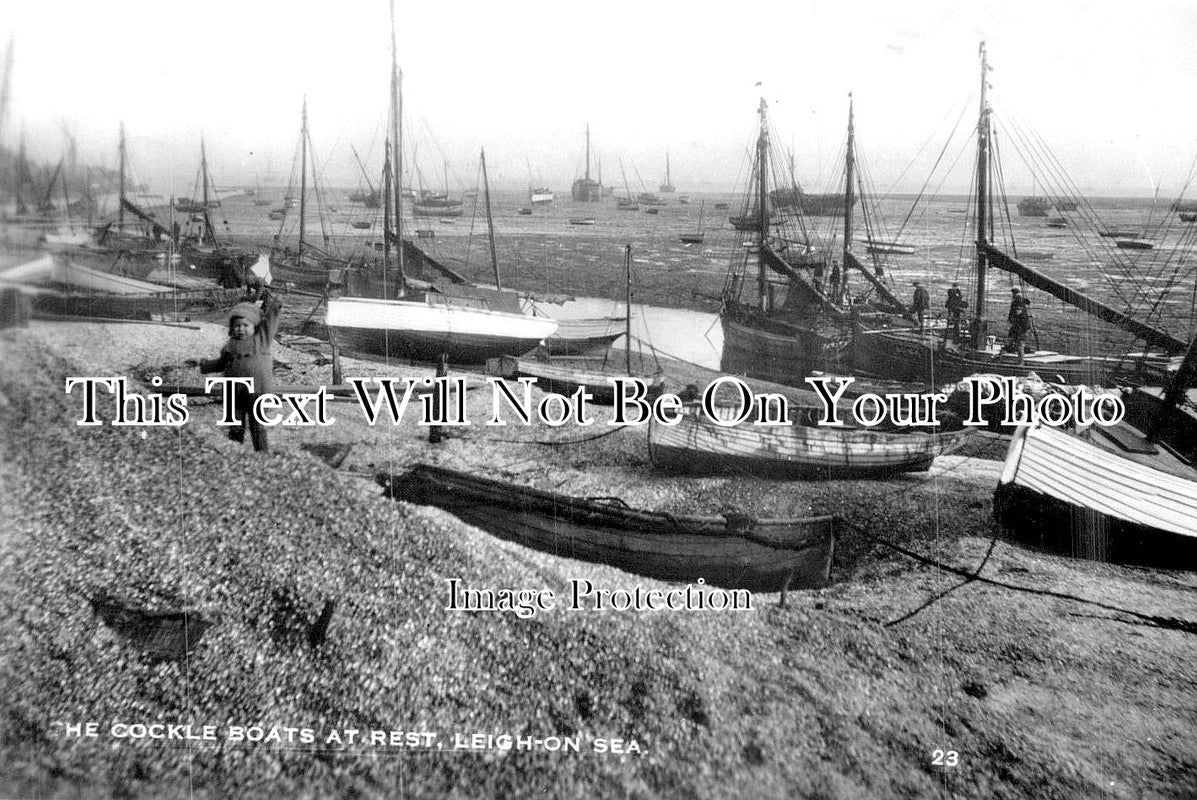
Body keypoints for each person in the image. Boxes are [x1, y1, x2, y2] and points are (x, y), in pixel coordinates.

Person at [191, 287, 283, 452]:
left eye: (245, 325)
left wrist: (275, 305)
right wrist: (202, 364)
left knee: (257, 426)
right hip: (234, 392)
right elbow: (220, 364)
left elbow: (271, 321)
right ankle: (234, 453)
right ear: (232, 328)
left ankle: (262, 455)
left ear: (255, 327)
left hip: (257, 392)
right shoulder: (229, 345)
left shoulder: (261, 340)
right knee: (235, 425)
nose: (240, 329)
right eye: (237, 326)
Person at [1007, 287, 1032, 362]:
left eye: (1014, 293)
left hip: (1020, 327)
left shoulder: (1018, 302)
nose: (1013, 295)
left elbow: (1018, 315)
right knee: (1015, 343)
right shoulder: (1020, 301)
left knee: (1020, 345)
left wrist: (1013, 321)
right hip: (1019, 326)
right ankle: (1018, 361)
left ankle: (1020, 362)